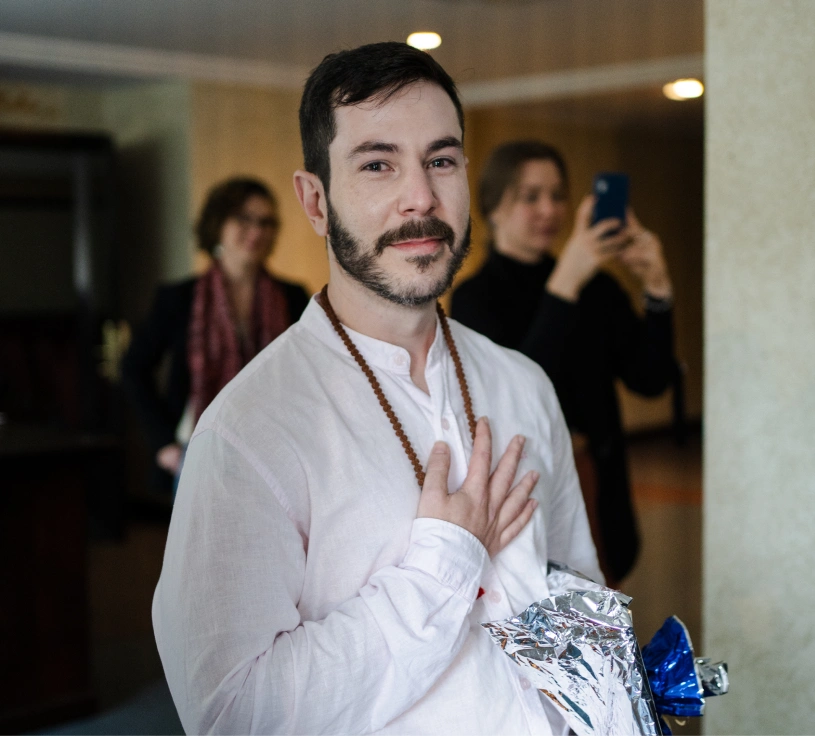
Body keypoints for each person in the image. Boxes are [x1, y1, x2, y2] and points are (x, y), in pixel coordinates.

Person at [153, 43, 603, 736]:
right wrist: (445, 561)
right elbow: (234, 714)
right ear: (315, 201)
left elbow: (578, 598)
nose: (421, 196)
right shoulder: (246, 433)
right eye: (377, 164)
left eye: (441, 160)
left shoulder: (523, 384)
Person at [451, 141, 678, 585]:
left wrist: (657, 287)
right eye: (530, 196)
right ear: (494, 208)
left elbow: (650, 380)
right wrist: (566, 281)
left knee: (602, 606)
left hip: (600, 482)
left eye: (557, 195)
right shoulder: (475, 298)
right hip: (526, 492)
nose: (549, 210)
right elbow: (514, 396)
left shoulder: (597, 289)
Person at [122, 177, 310, 492]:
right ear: (217, 223)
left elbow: (310, 374)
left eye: (266, 222)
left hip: (278, 453)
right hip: (198, 453)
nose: (256, 231)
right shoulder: (179, 299)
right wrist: (164, 445)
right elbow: (133, 368)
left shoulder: (293, 297)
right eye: (244, 219)